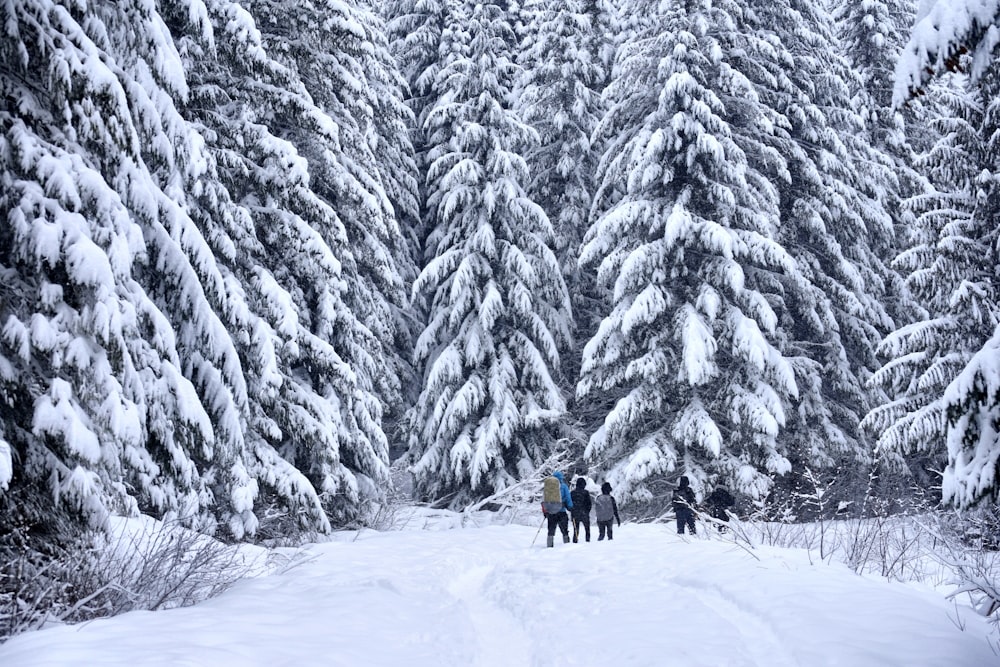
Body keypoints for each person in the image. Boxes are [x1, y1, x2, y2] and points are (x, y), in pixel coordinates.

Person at [541, 471, 573, 547]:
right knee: (564, 530)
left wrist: (545, 511)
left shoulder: (548, 486)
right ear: (561, 478)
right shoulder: (563, 486)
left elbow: (544, 499)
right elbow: (568, 498)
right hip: (561, 511)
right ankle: (567, 545)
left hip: (551, 511)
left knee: (551, 530)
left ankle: (549, 545)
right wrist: (570, 507)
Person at [570, 477, 593, 543]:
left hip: (575, 513)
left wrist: (572, 510)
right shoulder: (586, 492)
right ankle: (587, 541)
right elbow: (589, 503)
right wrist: (587, 511)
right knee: (587, 529)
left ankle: (575, 541)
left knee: (576, 530)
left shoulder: (572, 493)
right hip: (584, 513)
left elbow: (569, 503)